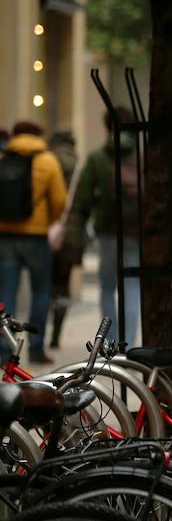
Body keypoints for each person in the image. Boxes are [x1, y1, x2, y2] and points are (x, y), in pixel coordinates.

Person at [69, 108, 142, 344]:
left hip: (108, 230)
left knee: (107, 286)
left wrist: (86, 222)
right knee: (132, 287)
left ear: (107, 125)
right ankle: (128, 344)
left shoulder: (98, 158)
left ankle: (111, 342)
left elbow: (83, 197)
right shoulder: (141, 157)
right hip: (136, 230)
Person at [0, 121, 67, 364]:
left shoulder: (3, 159)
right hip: (36, 237)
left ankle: (4, 350)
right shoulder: (48, 160)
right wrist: (48, 221)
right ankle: (36, 349)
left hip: (5, 236)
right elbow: (59, 200)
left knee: (6, 293)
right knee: (40, 292)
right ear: (39, 135)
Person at [44, 129, 84, 350]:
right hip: (71, 234)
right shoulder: (77, 166)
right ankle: (56, 335)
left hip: (46, 231)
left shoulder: (45, 162)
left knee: (43, 286)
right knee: (63, 284)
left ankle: (38, 336)